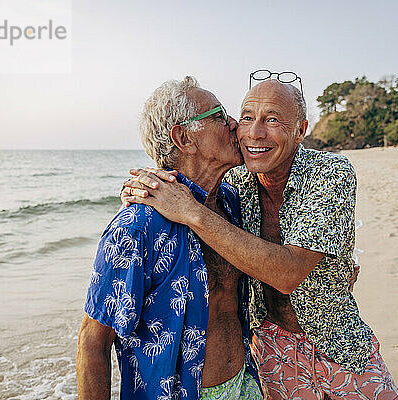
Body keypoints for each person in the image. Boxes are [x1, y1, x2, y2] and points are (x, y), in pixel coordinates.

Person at [122, 76, 398, 399]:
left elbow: (287, 274)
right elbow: (187, 170)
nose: (254, 132)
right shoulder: (237, 184)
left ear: (300, 130)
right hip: (272, 352)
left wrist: (191, 212)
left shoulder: (331, 173)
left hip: (338, 342)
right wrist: (147, 184)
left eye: (272, 119)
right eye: (246, 117)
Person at [76, 76, 263, 400]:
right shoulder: (137, 227)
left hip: (245, 384)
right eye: (218, 115)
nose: (234, 123)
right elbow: (93, 340)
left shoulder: (233, 202)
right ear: (183, 138)